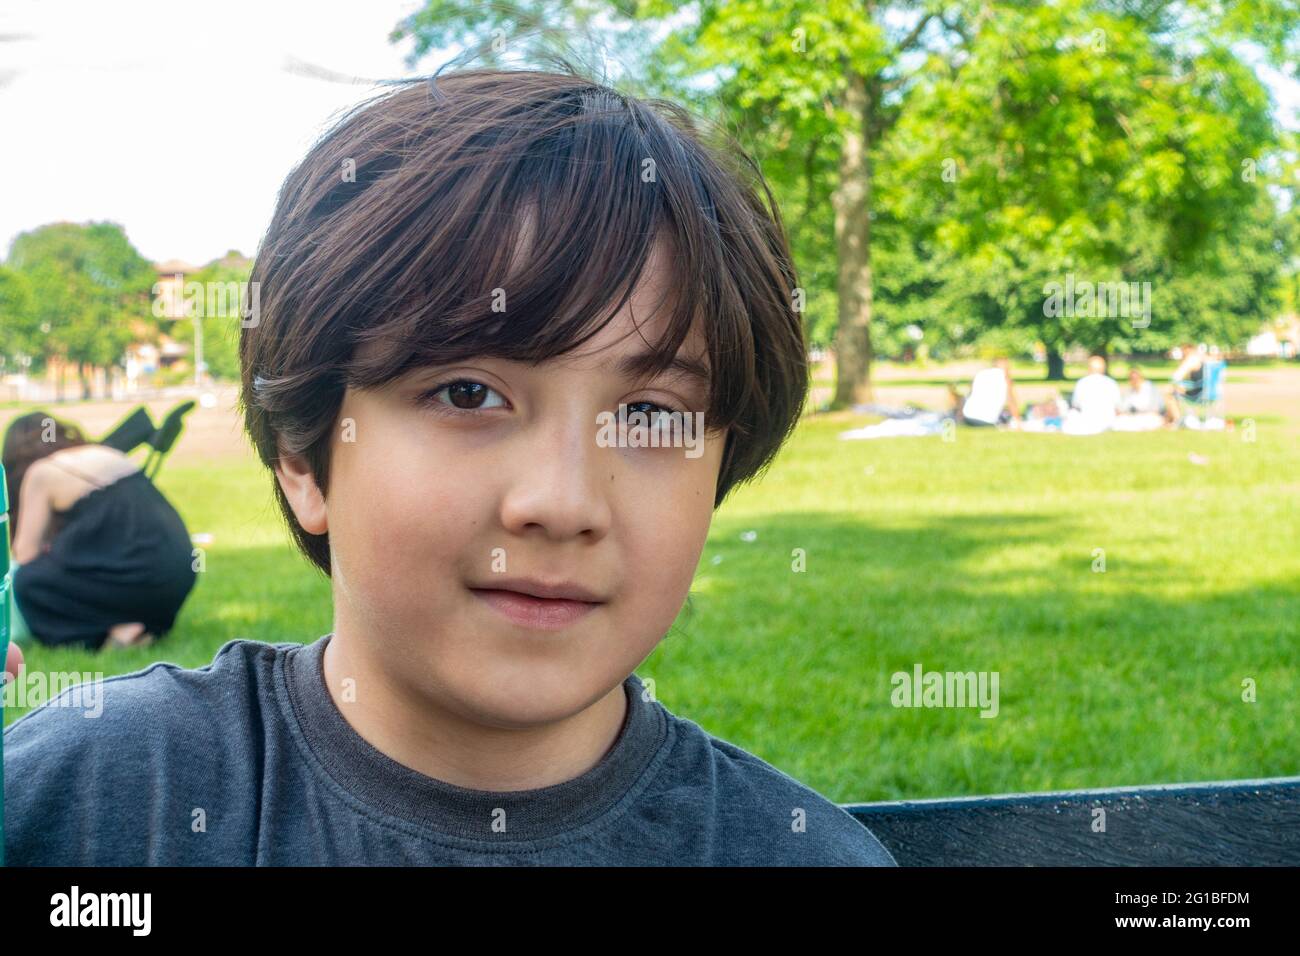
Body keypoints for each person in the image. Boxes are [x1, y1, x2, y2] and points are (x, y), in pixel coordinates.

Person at [3, 69, 897, 866]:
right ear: (302, 458)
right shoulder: (79, 802)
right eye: (468, 394)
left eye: (650, 415)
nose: (562, 502)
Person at [2, 411, 198, 652]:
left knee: (29, 581)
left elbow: (24, 555)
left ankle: (112, 633)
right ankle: (131, 626)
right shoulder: (104, 453)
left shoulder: (42, 471)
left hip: (137, 578)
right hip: (179, 574)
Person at [1064, 354, 1122, 433]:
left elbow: (1076, 405)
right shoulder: (1111, 383)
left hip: (1087, 420)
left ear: (1089, 368)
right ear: (1103, 369)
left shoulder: (1082, 383)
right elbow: (1118, 407)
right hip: (1109, 421)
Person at [959, 356, 1020, 427]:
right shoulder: (1005, 379)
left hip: (967, 416)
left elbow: (969, 395)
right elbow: (1011, 402)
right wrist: (1018, 421)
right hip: (986, 421)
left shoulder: (981, 373)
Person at [1166, 342, 1207, 423]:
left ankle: (1176, 421)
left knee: (1168, 391)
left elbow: (1176, 377)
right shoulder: (1202, 358)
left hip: (1197, 393)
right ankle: (1170, 419)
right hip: (1208, 392)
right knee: (1174, 389)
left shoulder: (1191, 359)